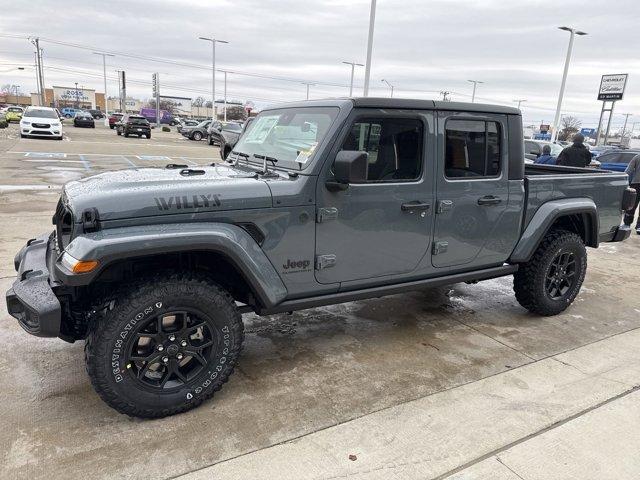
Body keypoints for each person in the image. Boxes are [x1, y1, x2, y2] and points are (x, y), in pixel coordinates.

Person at [624, 153, 640, 233]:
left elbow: (628, 170)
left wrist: (624, 179)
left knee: (632, 205)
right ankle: (639, 226)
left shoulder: (637, 157)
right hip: (636, 183)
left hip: (636, 184)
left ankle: (627, 224)